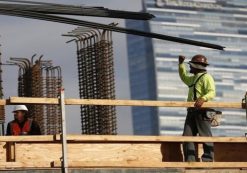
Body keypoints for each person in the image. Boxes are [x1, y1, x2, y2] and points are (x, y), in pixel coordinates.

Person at [178, 54, 215, 162]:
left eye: (191, 65)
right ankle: (190, 161)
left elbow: (211, 92)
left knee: (205, 135)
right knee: (187, 136)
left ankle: (208, 160)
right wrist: (180, 64)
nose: (190, 67)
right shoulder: (193, 78)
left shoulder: (207, 77)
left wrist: (203, 98)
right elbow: (183, 76)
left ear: (196, 66)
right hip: (192, 111)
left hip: (202, 111)